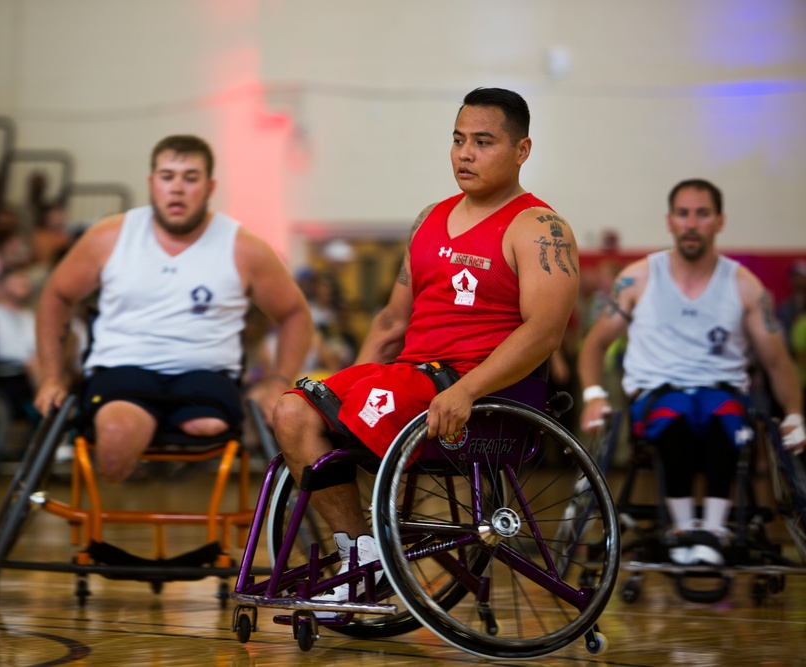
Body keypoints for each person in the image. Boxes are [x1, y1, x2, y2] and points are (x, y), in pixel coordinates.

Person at [272, 87, 580, 603]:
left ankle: (366, 563)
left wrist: (467, 391)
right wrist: (349, 391)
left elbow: (544, 333)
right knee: (293, 413)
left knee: (317, 411)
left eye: (483, 142)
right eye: (459, 139)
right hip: (413, 376)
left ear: (522, 150)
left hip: (478, 390)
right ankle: (361, 555)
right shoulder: (429, 219)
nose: (465, 153)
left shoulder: (539, 228)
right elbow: (393, 320)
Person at [34, 134, 313, 483]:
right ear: (152, 184)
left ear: (209, 187)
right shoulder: (110, 236)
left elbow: (294, 313)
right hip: (123, 368)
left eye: (190, 178)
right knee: (117, 441)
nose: (177, 188)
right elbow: (56, 295)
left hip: (207, 373)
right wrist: (51, 377)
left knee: (208, 424)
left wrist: (278, 383)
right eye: (168, 177)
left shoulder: (243, 246)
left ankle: (160, 418)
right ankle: (140, 421)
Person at [578, 179, 805, 566]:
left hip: (723, 395)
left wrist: (796, 413)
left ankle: (713, 530)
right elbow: (595, 343)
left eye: (702, 214)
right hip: (655, 396)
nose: (691, 223)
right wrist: (593, 395)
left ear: (719, 221)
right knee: (677, 412)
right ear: (670, 221)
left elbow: (778, 360)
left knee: (720, 411)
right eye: (683, 214)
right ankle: (683, 529)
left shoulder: (745, 286)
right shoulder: (638, 278)